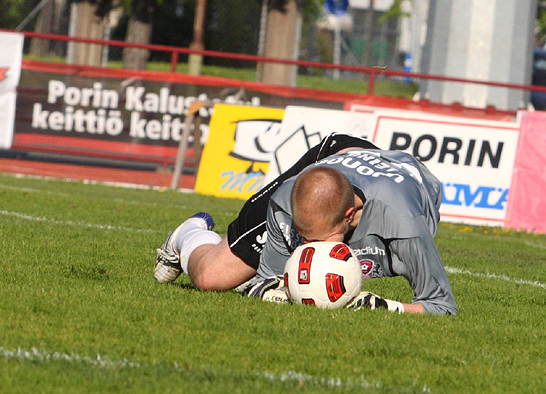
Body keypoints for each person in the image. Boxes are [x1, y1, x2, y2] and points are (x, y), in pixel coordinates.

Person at [154, 133, 457, 315]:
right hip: (328, 165)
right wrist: (271, 288)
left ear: (349, 216)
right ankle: (189, 234)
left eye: (322, 240)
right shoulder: (286, 199)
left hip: (384, 177)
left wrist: (383, 307)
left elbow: (441, 305)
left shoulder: (405, 222)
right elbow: (268, 283)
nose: (312, 251)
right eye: (305, 240)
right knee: (212, 278)